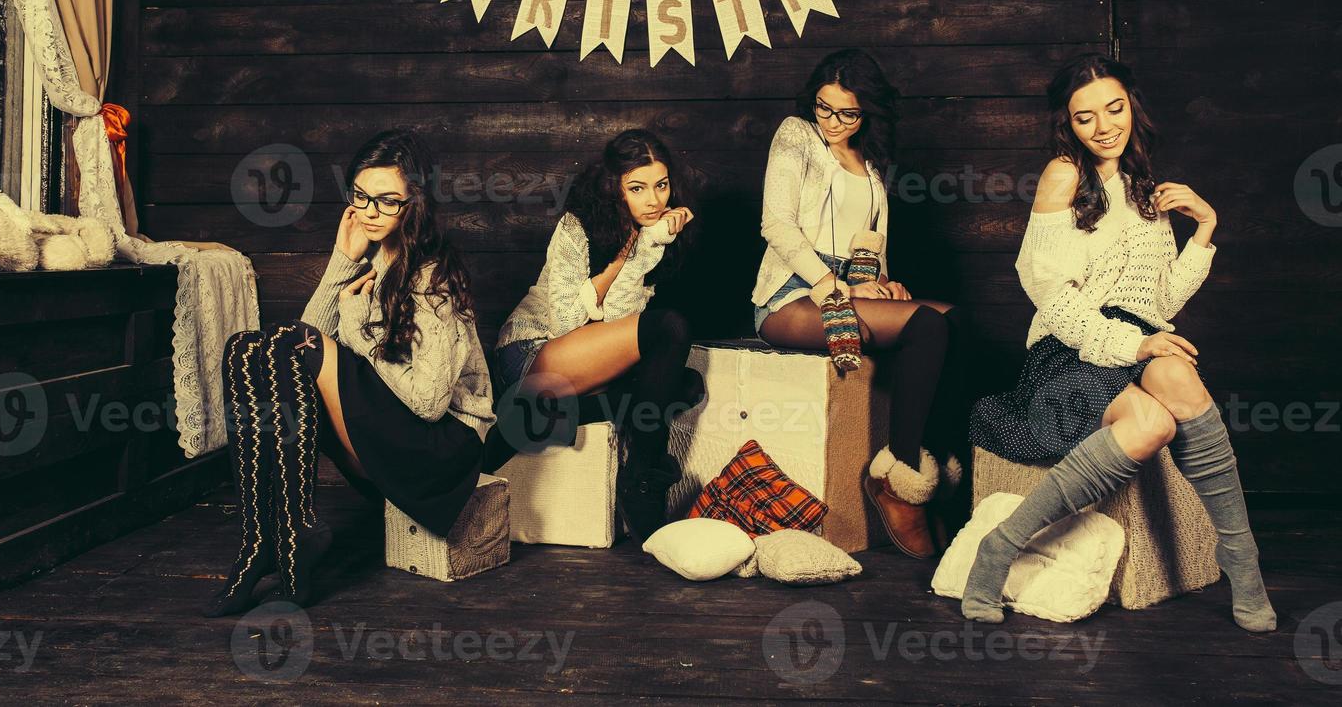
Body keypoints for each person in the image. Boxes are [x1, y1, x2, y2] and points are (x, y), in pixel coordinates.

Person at [962, 54, 1275, 632]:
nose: (1105, 126)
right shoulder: (1064, 175)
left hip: (1130, 336)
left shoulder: (1141, 183)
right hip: (1067, 347)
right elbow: (1049, 295)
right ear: (1067, 124)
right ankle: (1000, 549)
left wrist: (1205, 229)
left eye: (1115, 108)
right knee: (1154, 421)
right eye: (1086, 118)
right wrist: (1134, 347)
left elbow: (1159, 302)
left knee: (1176, 374)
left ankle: (1240, 556)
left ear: (1132, 105)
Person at [204, 129, 494, 616]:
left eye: (386, 201)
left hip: (441, 455)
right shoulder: (375, 261)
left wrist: (358, 338)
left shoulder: (433, 276)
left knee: (290, 345)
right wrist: (343, 260)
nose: (369, 211)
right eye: (360, 196)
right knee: (245, 349)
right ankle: (263, 544)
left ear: (415, 204)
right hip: (391, 438)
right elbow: (296, 352)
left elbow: (429, 402)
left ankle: (290, 549)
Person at [751, 48, 970, 558]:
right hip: (791, 295)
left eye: (846, 113)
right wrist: (839, 288)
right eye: (823, 108)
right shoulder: (796, 134)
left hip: (846, 287)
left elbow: (869, 246)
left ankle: (935, 472)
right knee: (926, 327)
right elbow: (776, 224)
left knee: (953, 321)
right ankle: (898, 482)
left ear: (867, 111)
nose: (831, 122)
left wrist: (886, 285)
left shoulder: (869, 160)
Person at [486, 129, 700, 543]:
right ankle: (642, 482)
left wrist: (650, 245)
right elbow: (568, 323)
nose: (654, 200)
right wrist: (629, 255)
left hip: (584, 364)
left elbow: (618, 324)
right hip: (531, 352)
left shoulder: (659, 234)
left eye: (661, 185)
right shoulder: (577, 226)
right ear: (614, 188)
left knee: (686, 384)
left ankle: (541, 415)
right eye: (637, 188)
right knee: (669, 327)